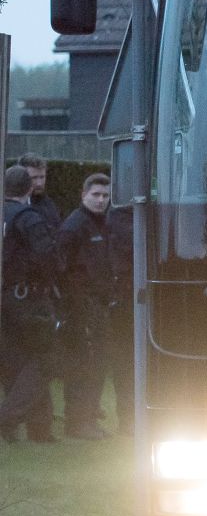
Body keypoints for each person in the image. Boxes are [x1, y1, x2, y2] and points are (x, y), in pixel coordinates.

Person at [1, 164, 62, 442]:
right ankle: (8, 418)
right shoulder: (29, 217)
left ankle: (40, 429)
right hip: (28, 297)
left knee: (17, 361)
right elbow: (47, 256)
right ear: (29, 189)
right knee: (47, 359)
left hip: (5, 295)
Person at [57, 174, 116, 440]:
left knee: (97, 365)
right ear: (84, 194)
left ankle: (88, 420)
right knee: (84, 366)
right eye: (96, 195)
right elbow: (61, 267)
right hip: (82, 306)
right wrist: (73, 303)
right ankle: (79, 423)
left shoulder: (102, 223)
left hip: (98, 304)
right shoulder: (74, 226)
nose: (101, 200)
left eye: (105, 195)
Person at [14, 154, 61, 228]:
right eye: (34, 178)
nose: (39, 183)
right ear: (21, 177)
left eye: (42, 177)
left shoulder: (48, 204)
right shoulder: (13, 206)